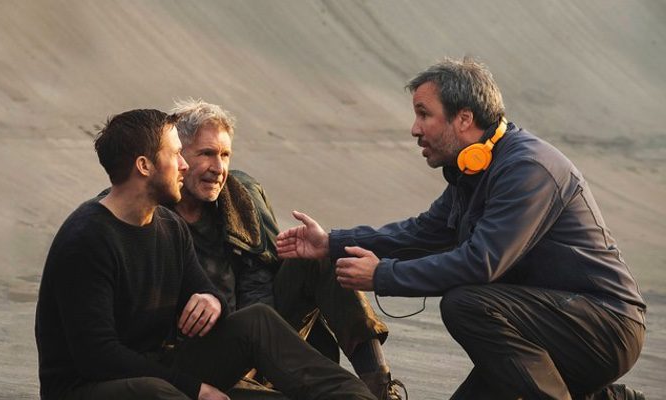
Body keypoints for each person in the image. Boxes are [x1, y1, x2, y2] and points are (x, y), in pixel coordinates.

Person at [276, 58, 647, 400]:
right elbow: (420, 234)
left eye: (424, 115)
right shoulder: (471, 171)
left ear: (464, 119)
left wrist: (383, 275)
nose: (414, 129)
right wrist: (332, 243)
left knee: (466, 304)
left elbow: (480, 263)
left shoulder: (528, 169)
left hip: (604, 326)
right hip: (545, 326)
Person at [34, 108, 376, 400]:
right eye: (175, 154)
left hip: (162, 369)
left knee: (256, 321)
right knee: (159, 392)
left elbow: (208, 293)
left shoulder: (169, 225)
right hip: (93, 387)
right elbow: (97, 356)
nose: (183, 166)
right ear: (144, 165)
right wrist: (194, 388)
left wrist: (211, 301)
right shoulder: (87, 239)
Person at [169, 99, 405, 400]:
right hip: (204, 354)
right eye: (206, 154)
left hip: (257, 327)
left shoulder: (239, 198)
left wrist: (263, 345)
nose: (218, 168)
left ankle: (381, 388)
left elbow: (258, 277)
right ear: (178, 156)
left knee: (320, 257)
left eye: (225, 155)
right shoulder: (155, 214)